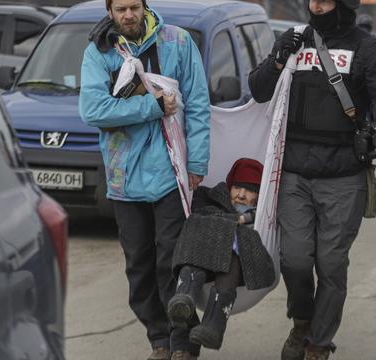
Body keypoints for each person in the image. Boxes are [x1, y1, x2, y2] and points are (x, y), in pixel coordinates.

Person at [249, 0, 376, 359]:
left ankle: (318, 342)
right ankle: (302, 322)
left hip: (344, 176)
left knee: (331, 263)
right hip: (294, 174)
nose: (317, 5)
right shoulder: (294, 40)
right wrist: (277, 60)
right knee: (295, 259)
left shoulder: (367, 49)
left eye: (326, 0)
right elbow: (258, 90)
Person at [78, 0, 210, 359]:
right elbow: (92, 110)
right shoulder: (100, 52)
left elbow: (197, 103)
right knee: (138, 266)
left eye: (134, 7)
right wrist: (151, 107)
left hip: (171, 173)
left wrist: (197, 161)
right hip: (124, 178)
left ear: (144, 6)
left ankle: (182, 343)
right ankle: (159, 340)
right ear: (109, 12)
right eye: (120, 9)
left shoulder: (178, 42)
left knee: (171, 262)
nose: (128, 15)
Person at [167, 158, 275, 351]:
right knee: (195, 242)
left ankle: (213, 327)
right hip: (200, 258)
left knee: (231, 262)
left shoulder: (262, 215)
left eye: (250, 190)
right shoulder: (210, 197)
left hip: (235, 268)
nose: (241, 195)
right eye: (237, 188)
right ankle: (184, 298)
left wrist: (245, 219)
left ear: (259, 196)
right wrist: (237, 220)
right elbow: (198, 215)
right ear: (229, 187)